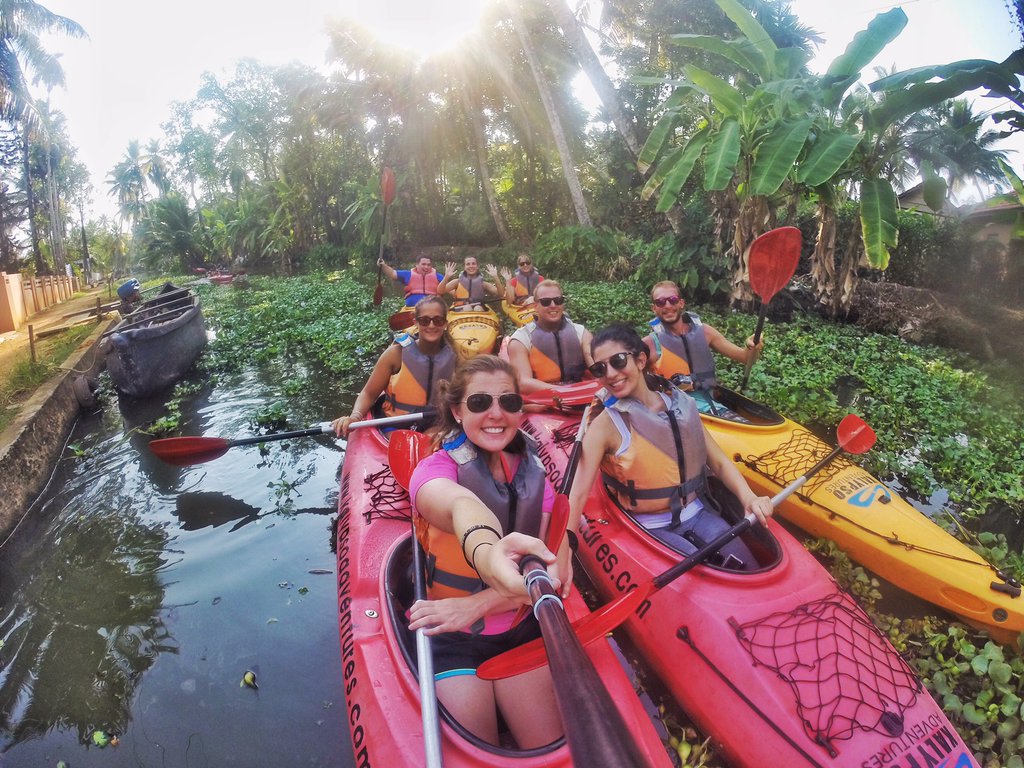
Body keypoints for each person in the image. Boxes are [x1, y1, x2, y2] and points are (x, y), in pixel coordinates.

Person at [407, 354, 565, 747]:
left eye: (509, 402)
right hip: (452, 633)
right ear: (458, 411)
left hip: (518, 625)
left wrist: (477, 605)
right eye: (480, 403)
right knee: (478, 748)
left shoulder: (537, 478)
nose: (496, 413)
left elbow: (556, 575)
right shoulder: (434, 471)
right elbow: (462, 507)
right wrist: (490, 555)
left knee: (544, 746)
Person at [567, 324, 773, 571]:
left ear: (641, 360)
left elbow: (717, 461)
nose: (610, 374)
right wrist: (564, 555)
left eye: (618, 361)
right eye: (600, 368)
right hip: (647, 527)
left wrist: (748, 497)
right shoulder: (605, 425)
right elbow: (577, 496)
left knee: (747, 567)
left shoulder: (681, 404)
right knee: (704, 580)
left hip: (698, 512)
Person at [332, 296, 456, 437]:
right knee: (404, 445)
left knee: (431, 442)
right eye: (425, 321)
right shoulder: (396, 353)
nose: (431, 325)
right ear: (416, 322)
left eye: (438, 320)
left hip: (435, 423)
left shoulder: (456, 357)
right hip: (395, 424)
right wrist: (355, 417)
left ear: (445, 323)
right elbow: (369, 393)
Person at [643, 280, 763, 390]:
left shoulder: (705, 332)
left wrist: (751, 347)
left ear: (681, 303)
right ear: (654, 308)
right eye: (660, 302)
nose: (668, 305)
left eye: (673, 299)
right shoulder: (648, 344)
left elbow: (746, 358)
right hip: (672, 408)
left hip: (709, 404)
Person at [507, 280, 593, 393]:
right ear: (535, 306)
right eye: (546, 302)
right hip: (543, 399)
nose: (553, 305)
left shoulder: (581, 332)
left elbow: (594, 364)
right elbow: (523, 382)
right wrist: (565, 392)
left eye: (558, 300)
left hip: (579, 394)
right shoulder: (521, 339)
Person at [380, 253, 454, 307]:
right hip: (412, 308)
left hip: (432, 307)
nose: (426, 267)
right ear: (417, 265)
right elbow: (392, 273)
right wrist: (383, 265)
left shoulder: (438, 276)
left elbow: (451, 290)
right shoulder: (408, 274)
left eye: (429, 265)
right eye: (423, 264)